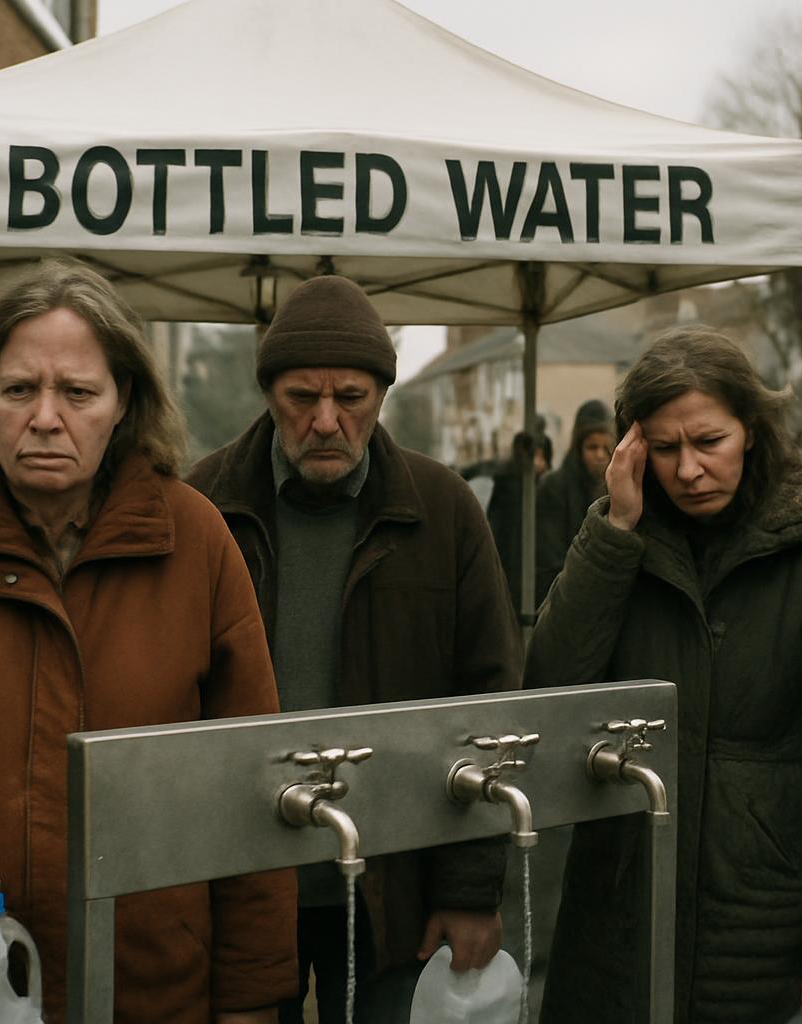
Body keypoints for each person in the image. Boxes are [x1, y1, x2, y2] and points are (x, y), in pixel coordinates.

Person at [0, 261, 295, 1023]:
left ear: (123, 404)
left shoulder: (198, 544)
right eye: (19, 389)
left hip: (147, 992)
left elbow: (250, 784)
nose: (45, 417)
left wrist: (251, 1000)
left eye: (78, 392)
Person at [527, 325, 802, 1024]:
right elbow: (551, 686)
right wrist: (614, 532)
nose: (689, 469)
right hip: (620, 915)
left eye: (709, 442)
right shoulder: (617, 538)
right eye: (664, 449)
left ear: (752, 431)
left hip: (765, 923)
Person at [186, 274, 521, 1024]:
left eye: (352, 398)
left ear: (382, 395)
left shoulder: (443, 512)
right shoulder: (203, 507)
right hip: (237, 876)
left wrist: (470, 890)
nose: (327, 421)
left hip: (393, 886)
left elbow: (488, 703)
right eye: (303, 399)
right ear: (269, 394)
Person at [535, 399, 615, 603]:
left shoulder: (619, 489)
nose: (599, 455)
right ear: (579, 449)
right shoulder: (554, 487)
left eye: (606, 448)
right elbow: (548, 556)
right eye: (592, 447)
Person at [486, 429, 552, 615]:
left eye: (541, 455)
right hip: (512, 563)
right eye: (534, 455)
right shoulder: (507, 484)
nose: (537, 462)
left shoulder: (550, 487)